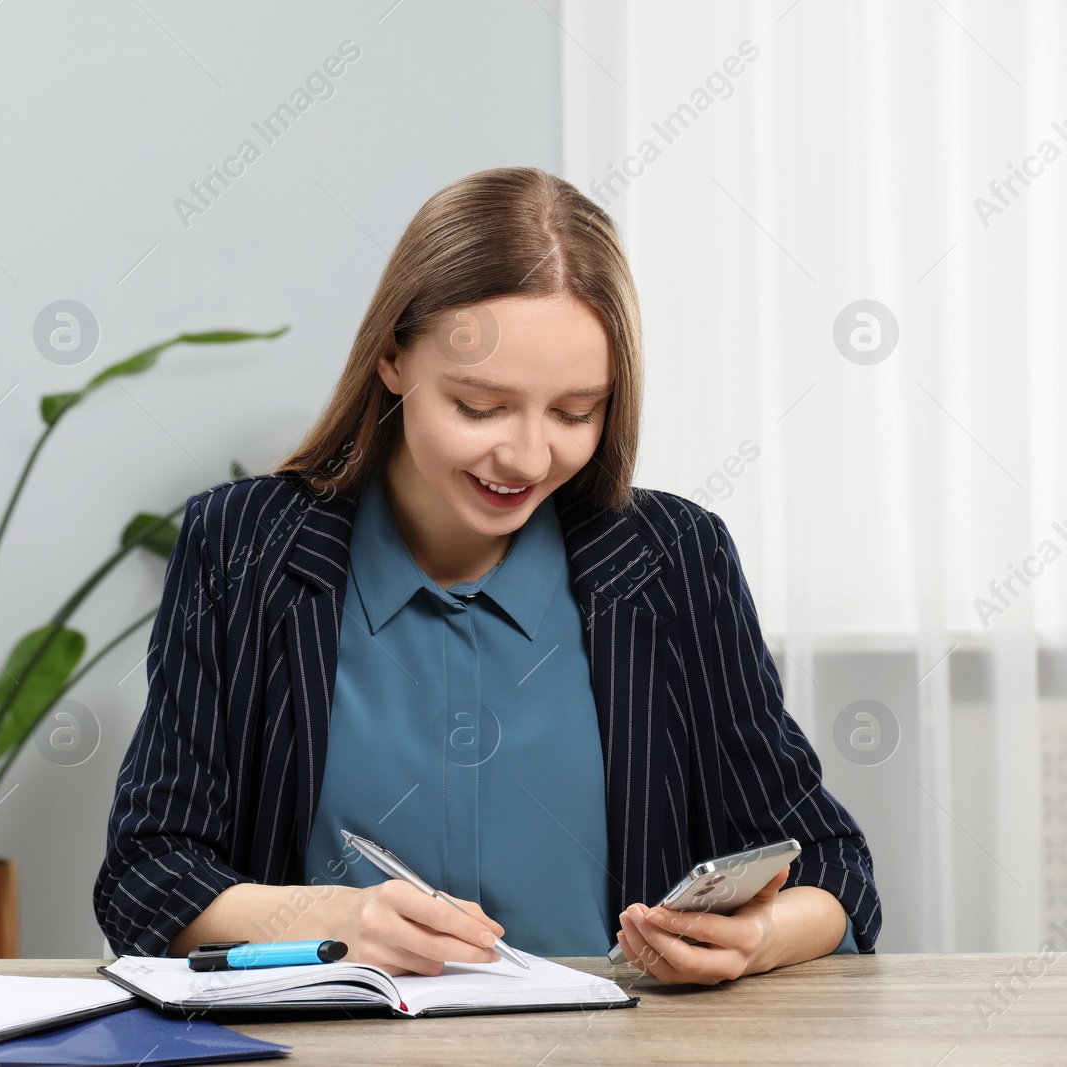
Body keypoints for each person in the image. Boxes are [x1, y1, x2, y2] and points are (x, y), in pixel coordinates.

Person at [93, 166, 880, 985]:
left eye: (576, 412)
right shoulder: (245, 546)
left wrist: (761, 935)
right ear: (392, 358)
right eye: (480, 406)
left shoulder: (676, 560)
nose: (529, 456)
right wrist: (330, 920)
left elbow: (832, 869)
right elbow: (147, 875)